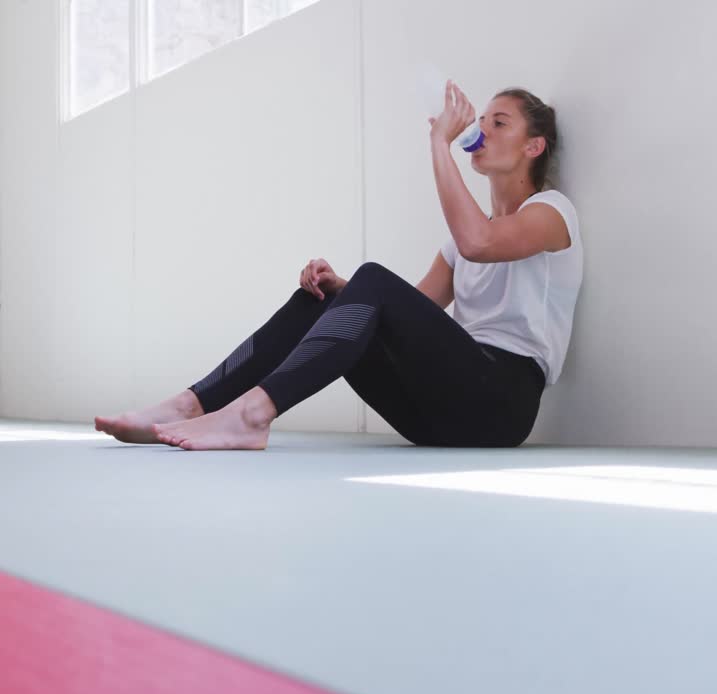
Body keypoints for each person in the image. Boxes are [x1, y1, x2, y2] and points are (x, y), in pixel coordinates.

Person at [96, 81, 582, 450]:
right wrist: (342, 290)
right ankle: (190, 404)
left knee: (370, 279)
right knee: (327, 296)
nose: (482, 130)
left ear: (532, 147)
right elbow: (409, 314)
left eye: (500, 123)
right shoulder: (461, 242)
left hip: (500, 404)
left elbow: (479, 241)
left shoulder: (551, 213)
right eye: (485, 119)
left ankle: (251, 415)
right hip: (437, 412)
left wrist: (438, 145)